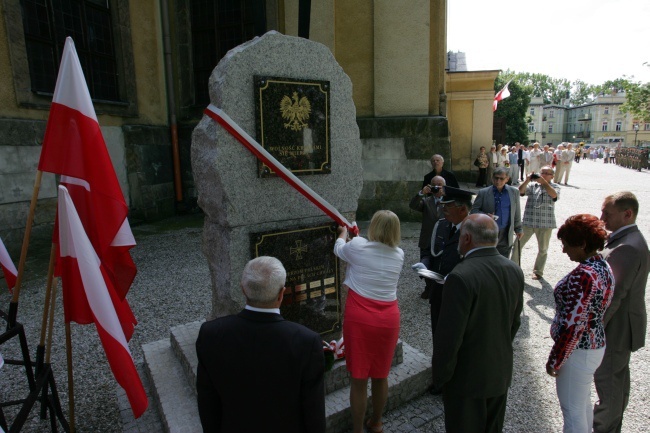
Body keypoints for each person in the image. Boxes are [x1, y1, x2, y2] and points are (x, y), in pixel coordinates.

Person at [195, 256, 326, 433]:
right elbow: (313, 411)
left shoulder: (211, 334)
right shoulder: (306, 342)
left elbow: (207, 401)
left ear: (243, 289)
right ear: (282, 294)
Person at [431, 214, 524, 433]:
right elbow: (514, 322)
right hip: (499, 372)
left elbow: (449, 336)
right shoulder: (514, 270)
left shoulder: (460, 276)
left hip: (466, 378)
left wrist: (441, 376)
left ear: (466, 239)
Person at [334, 210, 404, 433]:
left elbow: (339, 250)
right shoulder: (399, 254)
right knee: (381, 375)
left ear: (373, 226)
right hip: (388, 319)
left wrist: (343, 234)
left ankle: (356, 429)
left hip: (360, 318)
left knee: (359, 378)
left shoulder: (357, 247)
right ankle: (376, 422)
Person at [546, 214, 614, 433]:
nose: (564, 250)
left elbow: (573, 325)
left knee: (572, 411)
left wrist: (556, 359)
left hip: (578, 351)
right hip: (595, 346)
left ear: (583, 244)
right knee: (582, 405)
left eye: (567, 245)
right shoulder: (603, 266)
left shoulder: (583, 275)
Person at [594, 192, 650, 433]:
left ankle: (603, 428)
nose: (602, 217)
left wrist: (593, 330)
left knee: (609, 384)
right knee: (616, 380)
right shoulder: (627, 239)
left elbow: (614, 296)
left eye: (607, 213)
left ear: (627, 214)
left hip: (616, 326)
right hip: (621, 323)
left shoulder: (628, 246)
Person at [419, 186, 473, 393]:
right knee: (438, 335)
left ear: (462, 209)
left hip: (461, 296)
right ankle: (440, 378)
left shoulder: (474, 229)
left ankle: (458, 378)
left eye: (447, 207)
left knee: (459, 338)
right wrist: (424, 264)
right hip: (439, 292)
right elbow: (429, 252)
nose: (443, 211)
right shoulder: (441, 225)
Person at [511, 166, 559, 280]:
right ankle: (513, 268)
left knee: (543, 249)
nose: (544, 175)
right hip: (528, 221)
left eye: (548, 173)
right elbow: (519, 192)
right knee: (517, 245)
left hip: (545, 223)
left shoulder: (555, 186)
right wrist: (527, 180)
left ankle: (538, 271)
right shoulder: (532, 186)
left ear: (552, 176)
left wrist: (544, 183)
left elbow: (554, 195)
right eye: (543, 173)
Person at [471, 167, 523, 258]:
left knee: (503, 259)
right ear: (492, 178)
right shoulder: (483, 192)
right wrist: (485, 216)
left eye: (501, 178)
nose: (498, 181)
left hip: (505, 233)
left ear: (507, 179)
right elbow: (473, 211)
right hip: (487, 232)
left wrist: (518, 228)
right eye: (496, 178)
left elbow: (516, 212)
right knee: (487, 258)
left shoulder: (514, 192)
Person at [409, 175, 446, 298]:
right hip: (427, 238)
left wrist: (445, 195)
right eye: (434, 185)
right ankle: (428, 287)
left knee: (440, 265)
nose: (437, 187)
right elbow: (413, 205)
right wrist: (421, 193)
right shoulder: (426, 201)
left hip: (442, 239)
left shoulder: (448, 201)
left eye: (440, 185)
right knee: (425, 264)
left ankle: (439, 288)